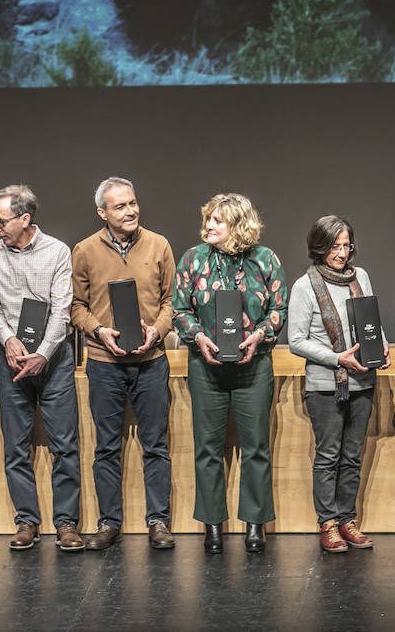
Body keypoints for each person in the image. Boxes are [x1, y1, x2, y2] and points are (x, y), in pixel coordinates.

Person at [173, 192, 287, 554]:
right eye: (208, 218)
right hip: (205, 367)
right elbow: (179, 309)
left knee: (256, 448)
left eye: (217, 220)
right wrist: (198, 337)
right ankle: (213, 526)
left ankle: (255, 524)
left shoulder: (265, 260)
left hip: (253, 367)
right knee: (207, 449)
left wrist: (260, 335)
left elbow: (278, 309)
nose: (208, 225)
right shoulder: (193, 259)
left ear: (239, 225)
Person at [70, 176, 176, 551]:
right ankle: (109, 522)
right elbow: (76, 307)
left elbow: (170, 303)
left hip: (151, 361)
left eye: (132, 203)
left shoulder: (159, 245)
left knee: (156, 446)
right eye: (120, 206)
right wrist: (99, 332)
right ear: (102, 212)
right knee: (106, 448)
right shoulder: (84, 250)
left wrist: (157, 333)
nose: (130, 211)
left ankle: (159, 522)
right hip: (104, 364)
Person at [0, 184, 82, 552]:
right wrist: (8, 339)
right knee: (15, 447)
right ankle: (26, 520)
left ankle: (67, 523)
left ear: (25, 218)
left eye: (0, 221)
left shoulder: (57, 251)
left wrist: (42, 352)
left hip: (53, 361)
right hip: (10, 360)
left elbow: (62, 309)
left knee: (65, 445)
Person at [288, 214, 389, 553]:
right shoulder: (306, 285)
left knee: (352, 455)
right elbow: (297, 341)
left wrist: (383, 346)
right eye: (335, 246)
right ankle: (328, 523)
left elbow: (370, 323)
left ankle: (347, 520)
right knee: (328, 455)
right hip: (325, 386)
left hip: (362, 382)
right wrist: (338, 358)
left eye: (346, 246)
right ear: (320, 246)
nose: (342, 253)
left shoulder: (360, 277)